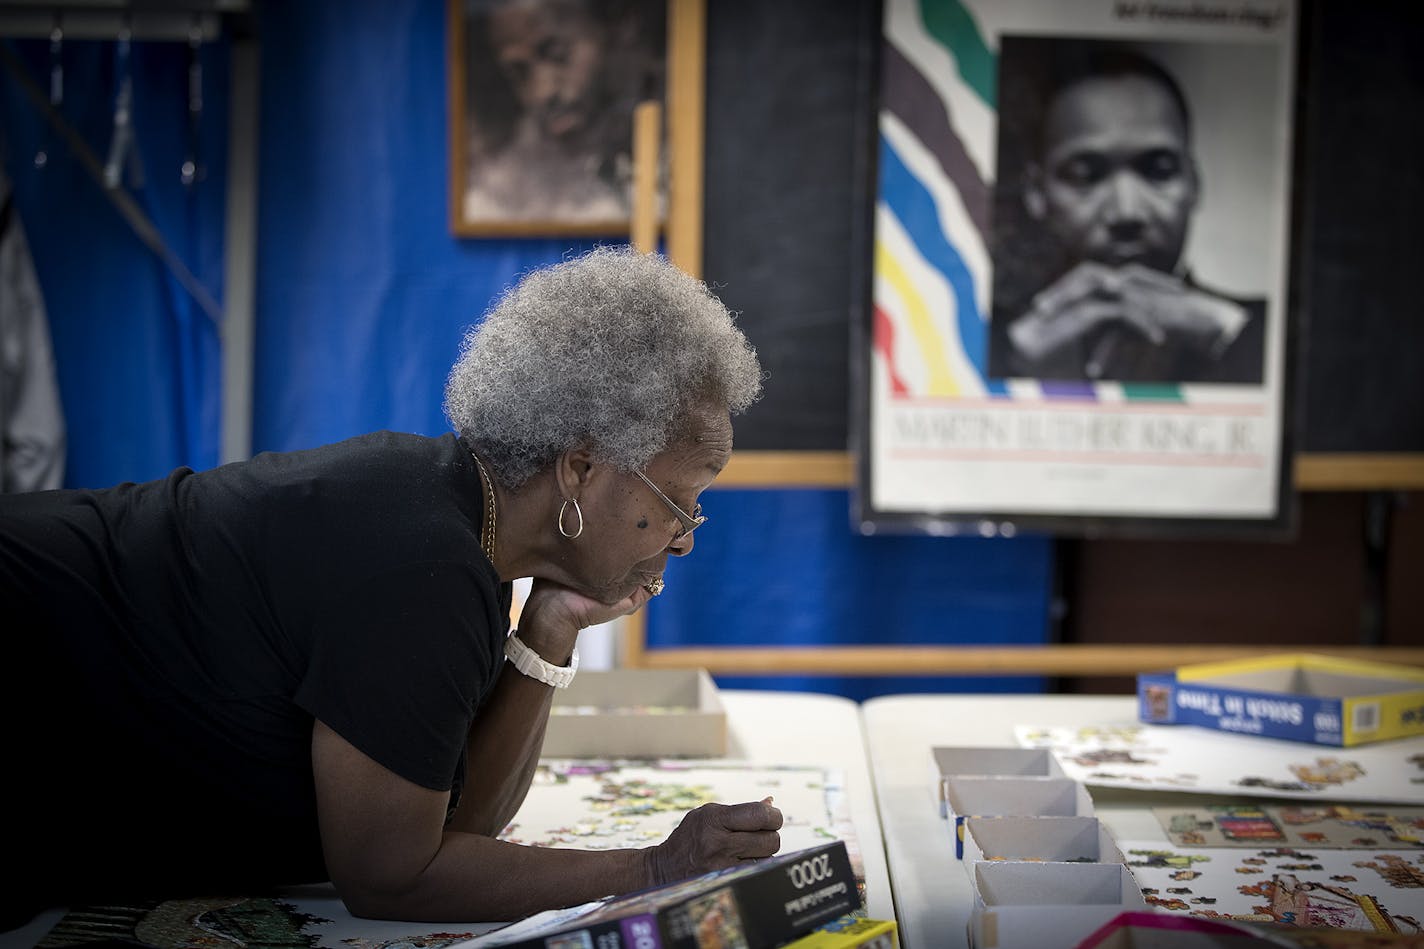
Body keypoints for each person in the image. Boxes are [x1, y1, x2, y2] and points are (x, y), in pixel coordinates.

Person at [0, 247, 772, 927]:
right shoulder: (422, 566)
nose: (686, 536)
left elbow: (450, 829)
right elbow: (391, 875)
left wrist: (552, 623)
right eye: (679, 502)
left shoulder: (454, 523)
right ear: (579, 468)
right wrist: (651, 869)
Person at [989, 43, 1266, 384]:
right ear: (1036, 194)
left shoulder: (1259, 334)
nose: (1126, 211)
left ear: (1194, 184)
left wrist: (1235, 339)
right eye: (1084, 175)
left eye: (1159, 171)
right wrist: (1010, 357)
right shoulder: (978, 337)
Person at [460, 0, 664, 224]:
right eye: (519, 72)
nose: (542, 92)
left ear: (621, 26)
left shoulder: (683, 132)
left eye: (558, 53)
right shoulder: (503, 184)